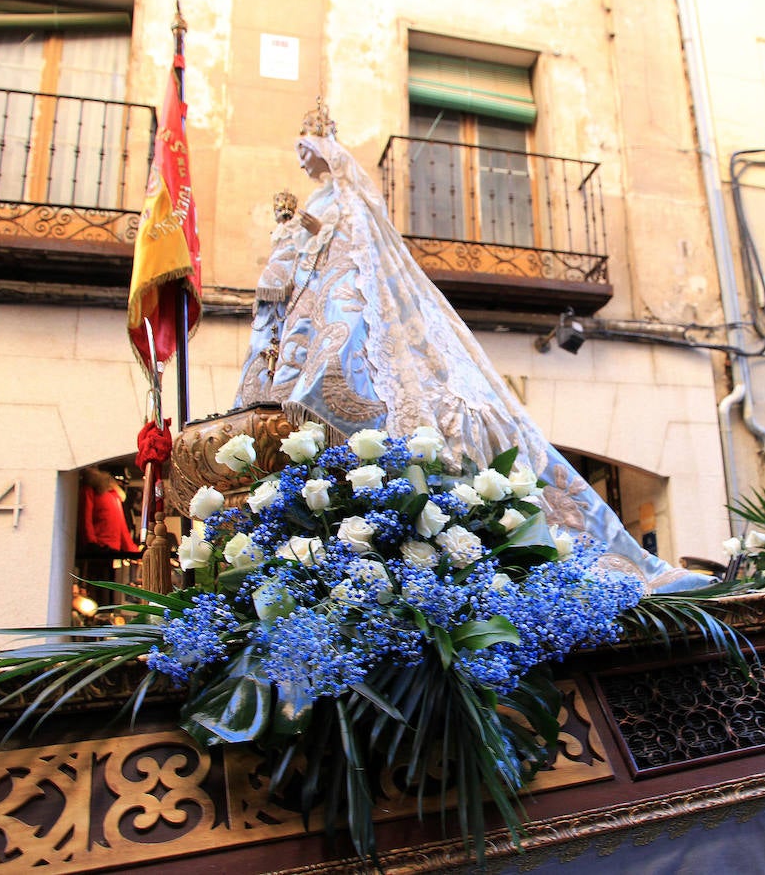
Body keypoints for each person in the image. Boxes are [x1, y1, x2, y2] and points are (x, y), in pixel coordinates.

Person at [235, 102, 709, 592]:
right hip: (308, 322)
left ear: (329, 154)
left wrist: (303, 240)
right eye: (302, 156)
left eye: (311, 153)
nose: (306, 164)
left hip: (343, 310)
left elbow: (354, 255)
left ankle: (612, 567)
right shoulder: (319, 203)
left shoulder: (344, 202)